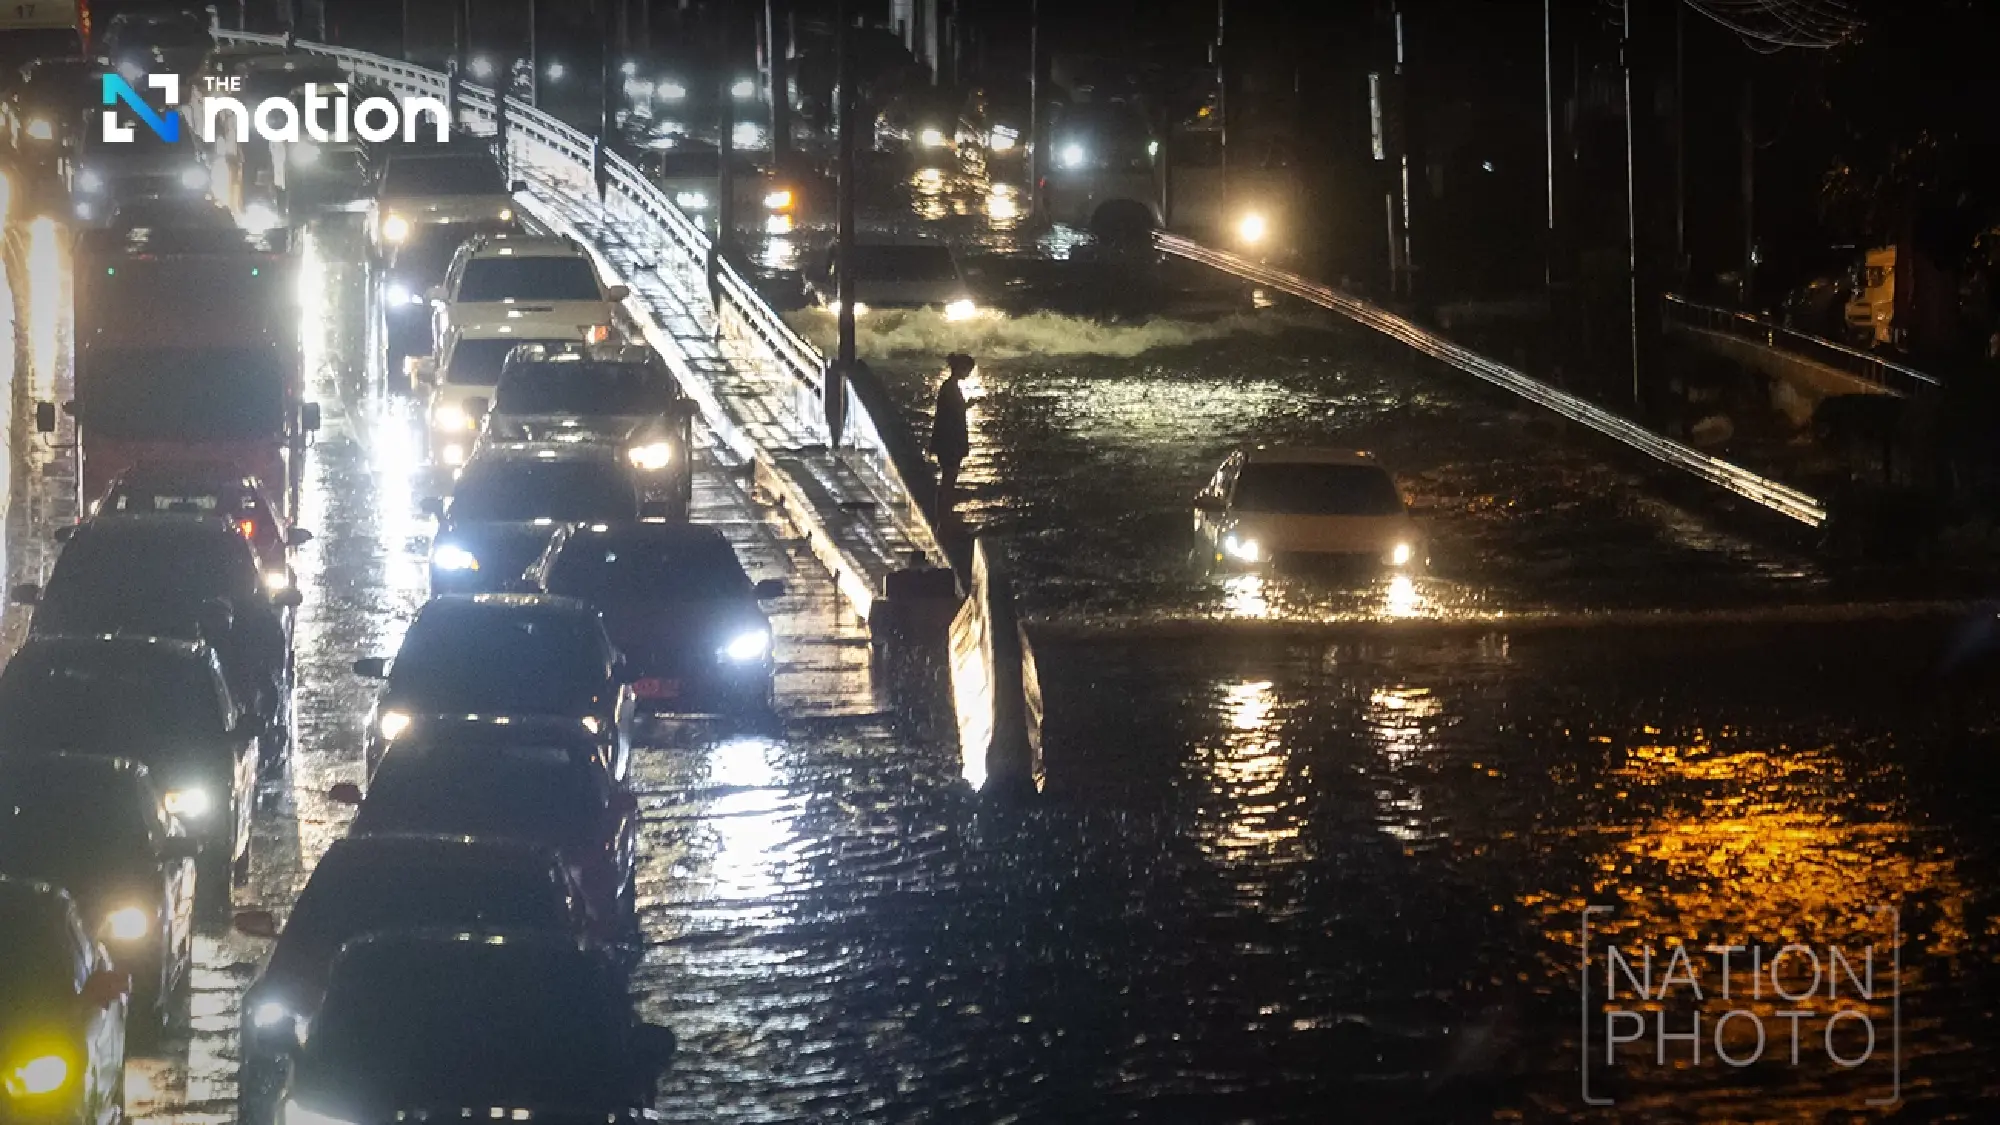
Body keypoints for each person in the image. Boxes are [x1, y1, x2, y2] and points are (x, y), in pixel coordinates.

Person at [930, 353, 974, 519]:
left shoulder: (949, 387)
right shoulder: (950, 388)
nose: (968, 374)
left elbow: (952, 410)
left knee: (948, 476)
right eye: (968, 370)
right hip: (950, 441)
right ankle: (943, 511)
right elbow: (953, 413)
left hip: (947, 440)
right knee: (949, 476)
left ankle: (943, 510)